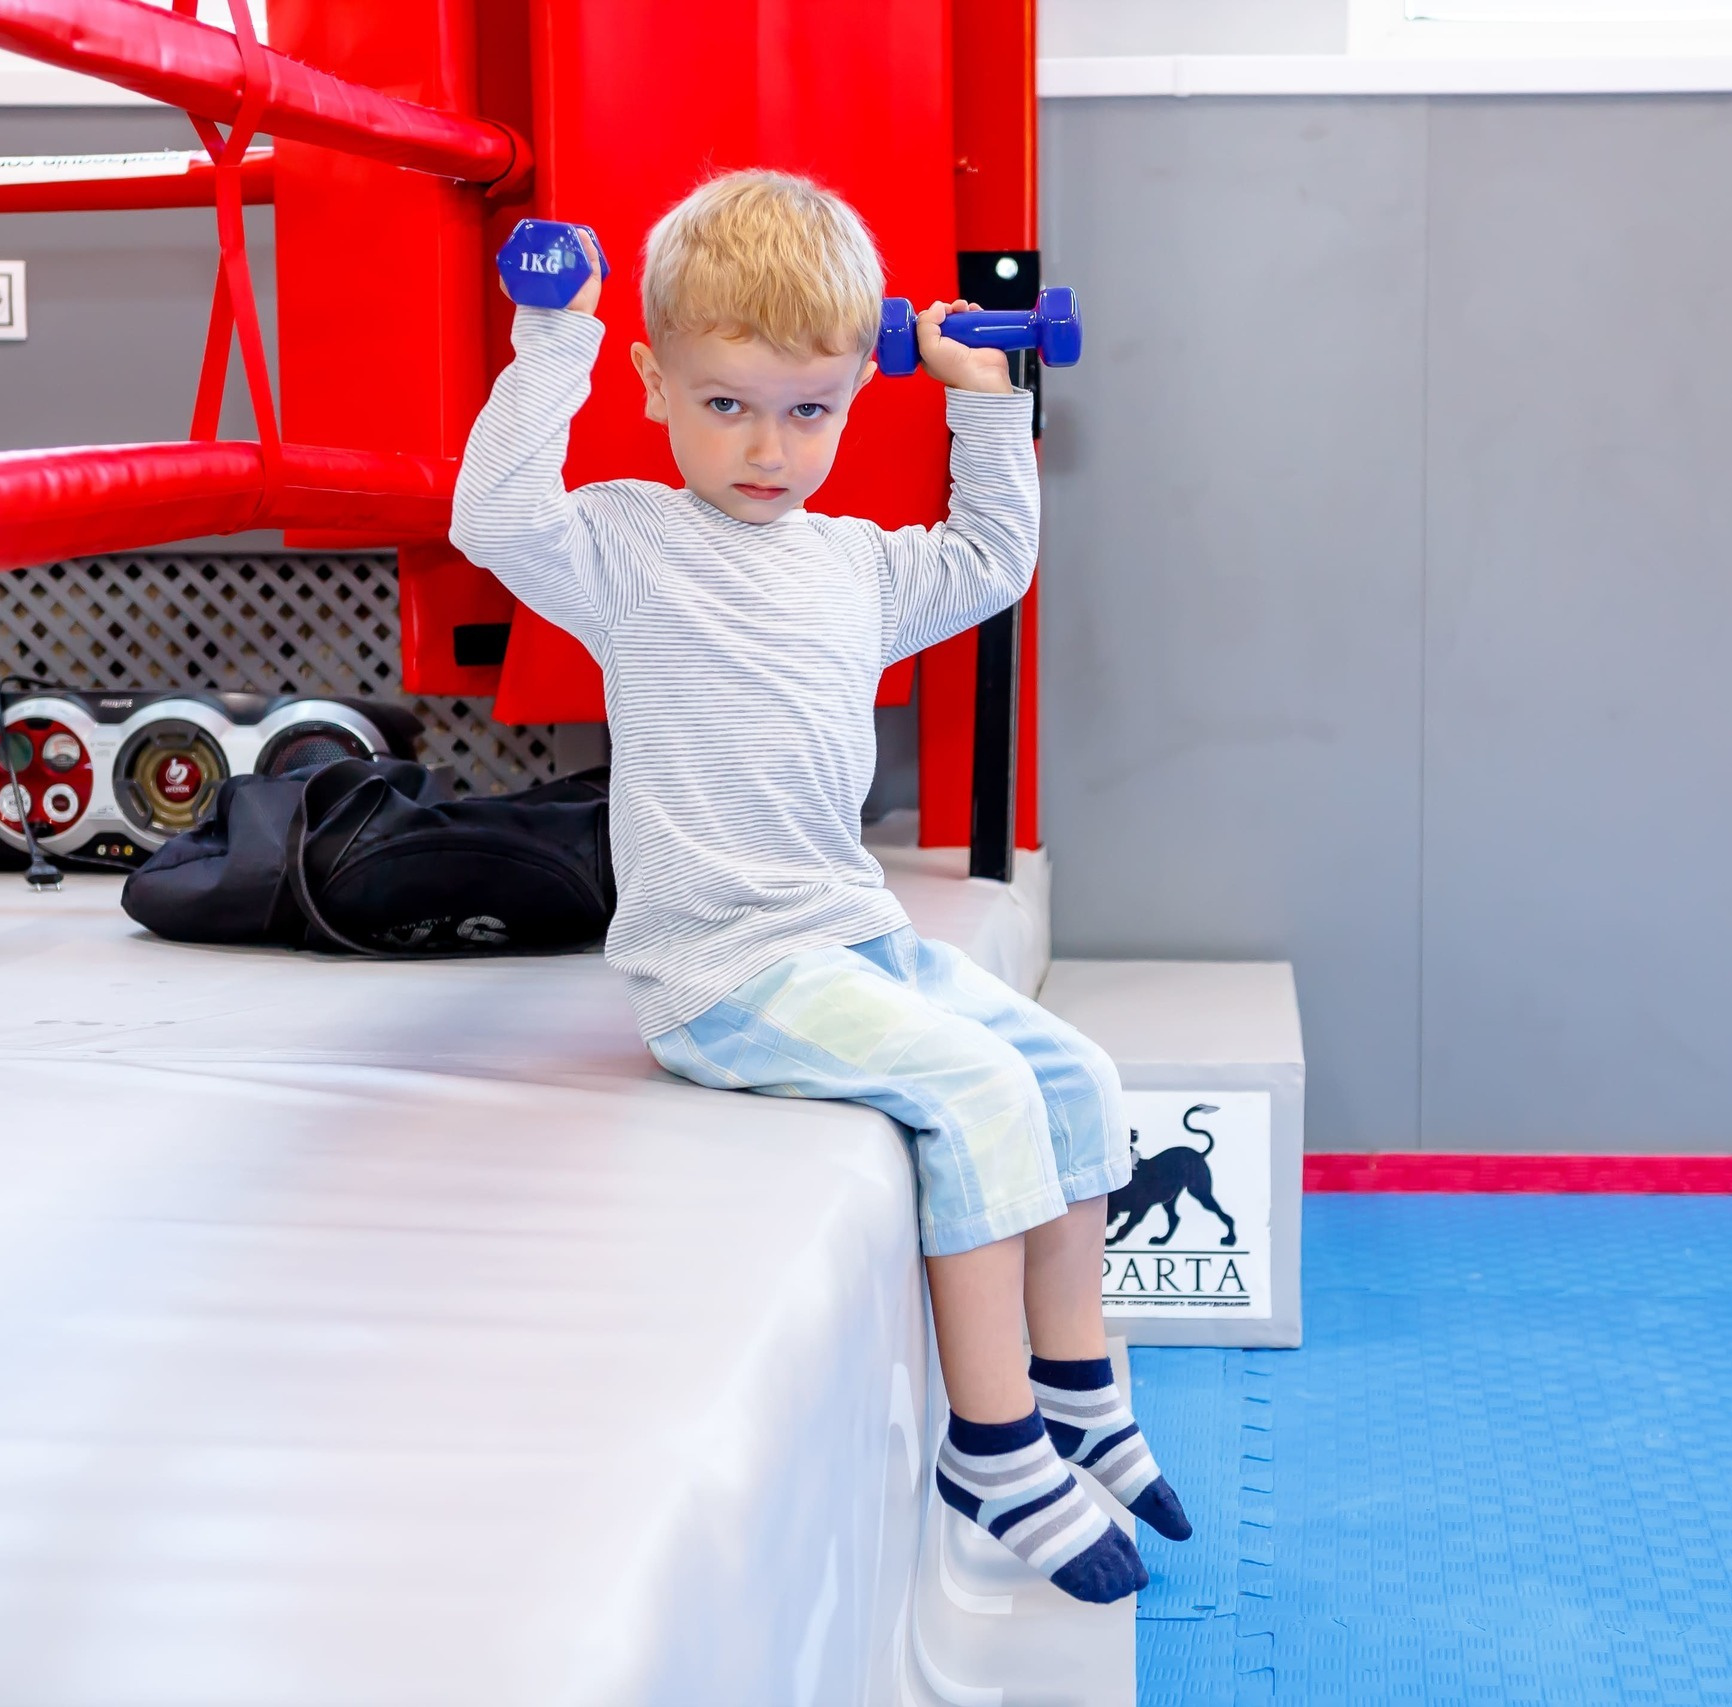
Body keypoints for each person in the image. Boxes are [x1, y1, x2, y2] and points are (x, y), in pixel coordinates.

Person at [449, 170, 1190, 1604]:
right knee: (974, 1093)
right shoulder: (627, 547)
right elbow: (494, 519)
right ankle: (992, 1438)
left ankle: (1083, 1381)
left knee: (1077, 1076)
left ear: (859, 389)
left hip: (847, 937)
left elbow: (992, 557)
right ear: (656, 383)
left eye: (810, 409)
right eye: (726, 403)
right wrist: (557, 343)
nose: (769, 448)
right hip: (723, 973)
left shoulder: (852, 565)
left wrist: (980, 397)